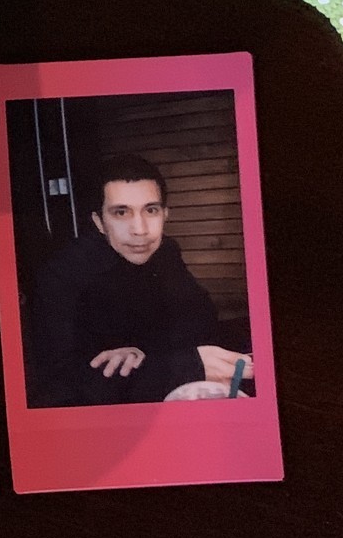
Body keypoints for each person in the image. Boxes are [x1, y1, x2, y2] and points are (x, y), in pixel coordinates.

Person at [23, 154, 253, 407]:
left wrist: (145, 353)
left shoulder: (166, 252)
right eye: (121, 212)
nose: (140, 230)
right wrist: (176, 366)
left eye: (151, 210)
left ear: (165, 214)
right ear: (99, 222)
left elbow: (201, 321)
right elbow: (57, 386)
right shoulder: (62, 274)